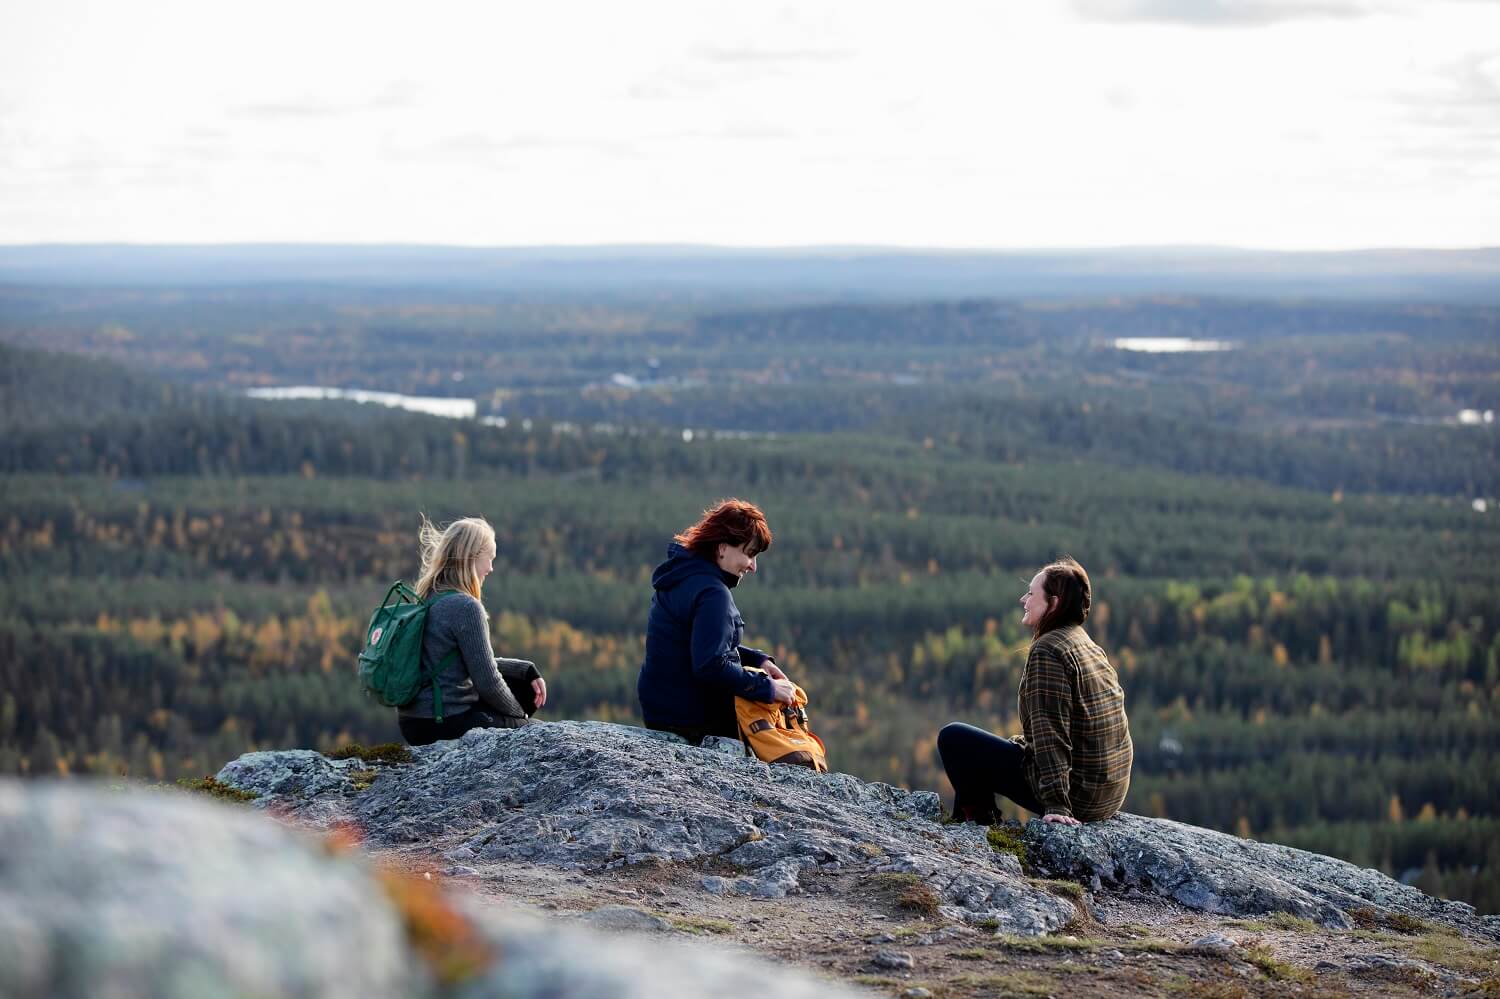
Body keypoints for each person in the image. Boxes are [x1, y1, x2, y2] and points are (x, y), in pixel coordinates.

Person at [938, 556, 1132, 826]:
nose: (1023, 599)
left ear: (1054, 603)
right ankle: (969, 822)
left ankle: (978, 827)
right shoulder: (1083, 641)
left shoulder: (1048, 651)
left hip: (1077, 798)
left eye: (1031, 593)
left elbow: (1051, 732)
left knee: (954, 739)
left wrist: (1057, 804)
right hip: (1106, 793)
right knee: (1000, 746)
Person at [637, 498, 796, 745]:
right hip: (694, 721)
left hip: (661, 712)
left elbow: (698, 639)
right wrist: (768, 690)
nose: (753, 566)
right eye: (750, 554)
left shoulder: (681, 574)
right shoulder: (713, 594)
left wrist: (757, 660)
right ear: (722, 548)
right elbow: (711, 665)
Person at [397, 515, 548, 747]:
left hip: (413, 722)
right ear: (472, 558)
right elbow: (488, 681)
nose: (490, 568)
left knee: (523, 685)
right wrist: (520, 718)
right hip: (444, 721)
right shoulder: (465, 607)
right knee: (536, 734)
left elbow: (466, 660)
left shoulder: (428, 596)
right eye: (489, 559)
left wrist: (524, 671)